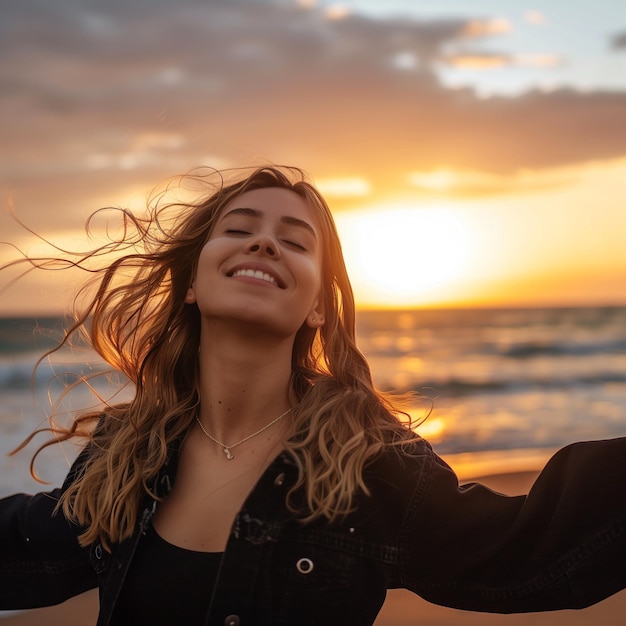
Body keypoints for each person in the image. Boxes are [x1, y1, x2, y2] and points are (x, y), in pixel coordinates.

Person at [1, 165, 625, 626]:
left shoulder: (370, 464)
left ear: (319, 306)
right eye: (239, 229)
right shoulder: (125, 455)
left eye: (295, 241)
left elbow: (525, 552)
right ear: (192, 282)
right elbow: (31, 552)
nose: (265, 242)